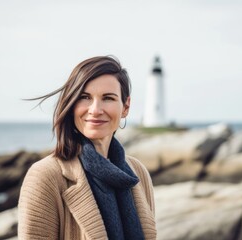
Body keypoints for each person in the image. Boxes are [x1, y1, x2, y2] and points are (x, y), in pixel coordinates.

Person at [18, 56, 157, 240]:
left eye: (108, 98)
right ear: (72, 104)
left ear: (125, 107)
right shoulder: (45, 176)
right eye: (85, 97)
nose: (95, 109)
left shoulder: (138, 173)